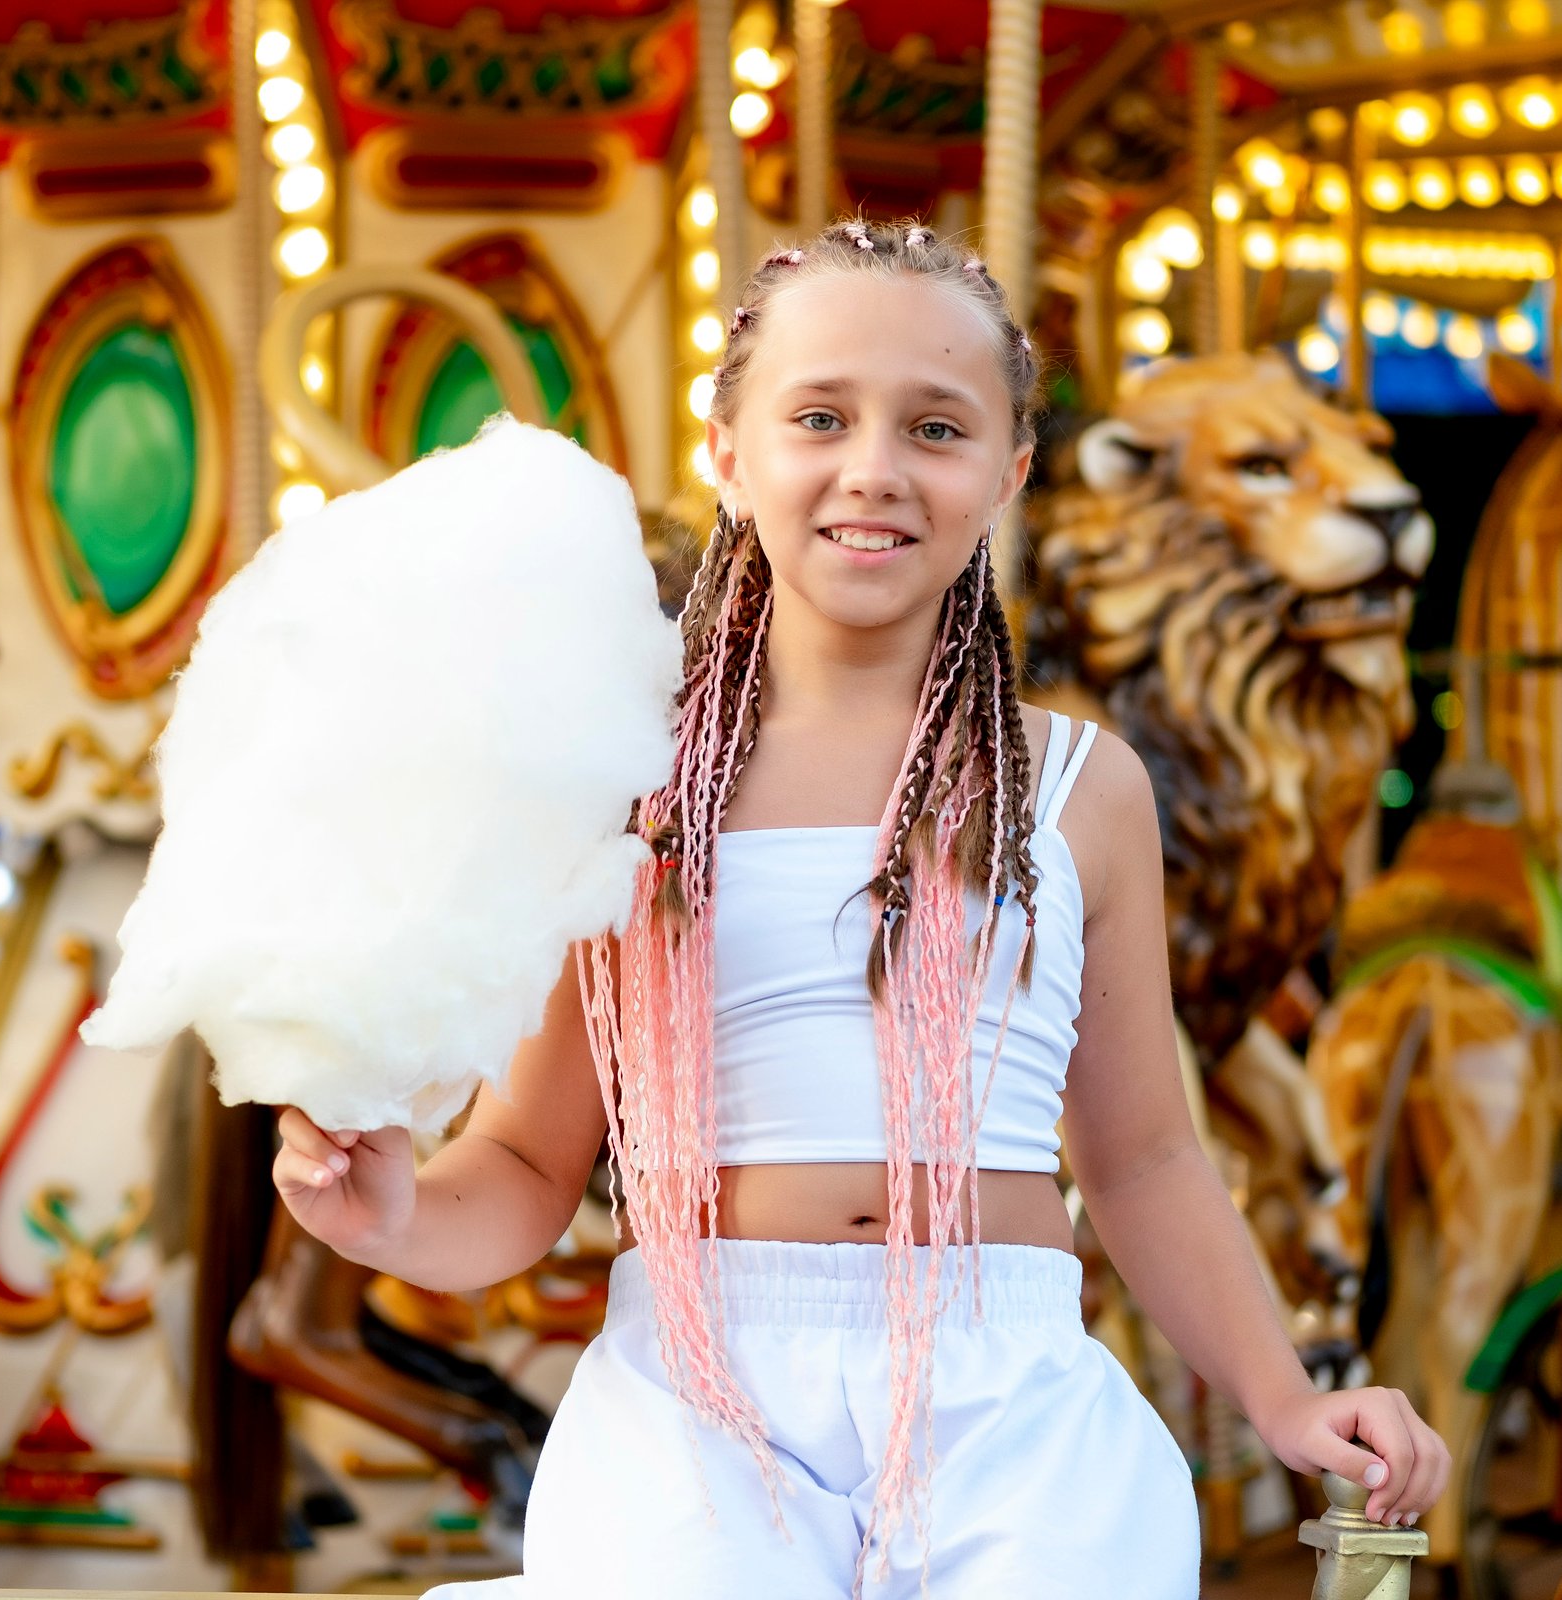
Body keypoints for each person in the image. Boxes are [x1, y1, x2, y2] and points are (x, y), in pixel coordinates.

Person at [271, 218, 1449, 1598]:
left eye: (937, 429)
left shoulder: (1082, 790)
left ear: (1009, 472)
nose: (874, 470)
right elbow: (529, 1168)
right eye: (819, 416)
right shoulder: (626, 781)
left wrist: (1286, 1400)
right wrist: (388, 1219)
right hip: (701, 1393)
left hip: (1004, 1386)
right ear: (728, 449)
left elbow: (1141, 1163)